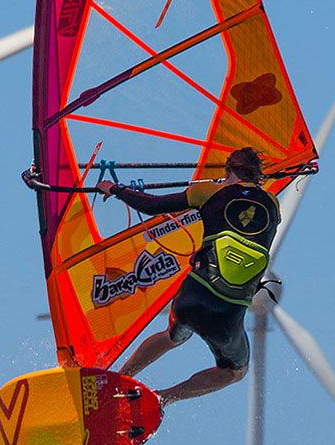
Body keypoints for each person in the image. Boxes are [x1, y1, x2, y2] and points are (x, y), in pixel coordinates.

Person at [97, 147, 280, 405]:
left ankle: (117, 380)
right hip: (228, 315)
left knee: (172, 336)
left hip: (193, 297)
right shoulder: (273, 204)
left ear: (227, 168)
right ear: (258, 173)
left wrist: (113, 188)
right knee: (233, 372)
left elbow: (153, 206)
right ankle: (161, 399)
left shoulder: (207, 192)